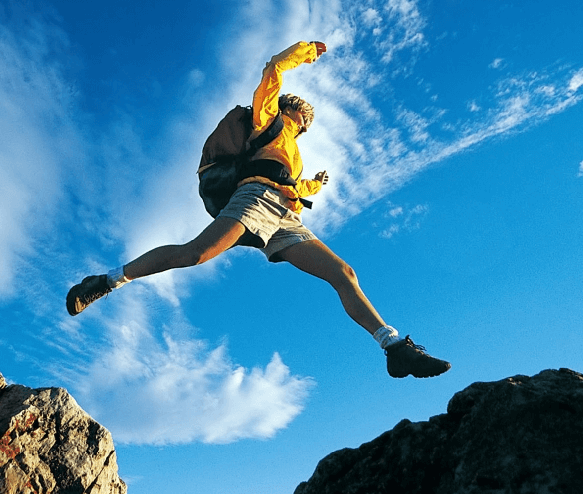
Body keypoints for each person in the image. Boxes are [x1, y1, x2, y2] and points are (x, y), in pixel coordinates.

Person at [67, 41, 450, 379]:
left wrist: (314, 184)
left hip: (285, 213)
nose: (303, 125)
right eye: (301, 118)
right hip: (255, 198)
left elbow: (293, 184)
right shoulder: (267, 117)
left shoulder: (294, 150)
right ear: (289, 110)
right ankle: (106, 281)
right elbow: (272, 71)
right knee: (195, 254)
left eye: (305, 124)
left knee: (343, 272)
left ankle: (395, 348)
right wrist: (301, 53)